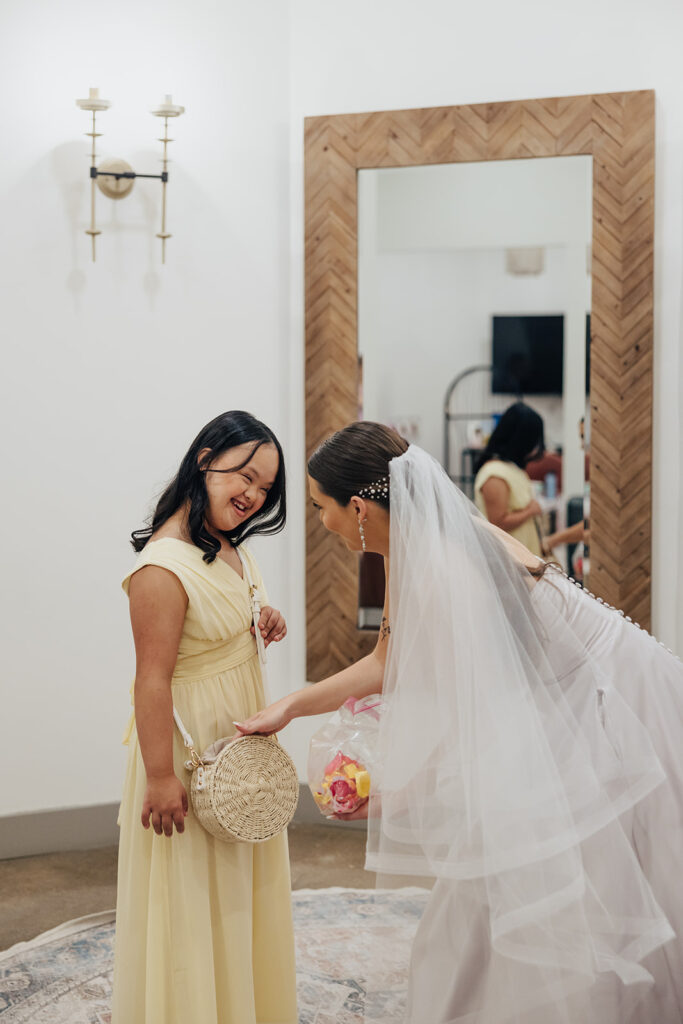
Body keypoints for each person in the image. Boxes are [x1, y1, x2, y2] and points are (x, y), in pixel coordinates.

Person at [237, 420, 683, 1024]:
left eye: (322, 509)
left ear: (362, 508)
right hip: (557, 696)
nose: (322, 523)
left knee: (596, 883)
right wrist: (293, 704)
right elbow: (386, 660)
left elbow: (480, 713)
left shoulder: (446, 567)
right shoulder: (409, 545)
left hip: (610, 699)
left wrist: (399, 789)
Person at [111, 410, 297, 1024]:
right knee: (191, 897)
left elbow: (231, 616)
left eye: (265, 487)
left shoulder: (225, 547)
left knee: (240, 889)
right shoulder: (161, 568)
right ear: (204, 460)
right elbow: (152, 679)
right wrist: (161, 776)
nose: (252, 495)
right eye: (243, 475)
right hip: (188, 753)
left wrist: (262, 616)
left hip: (237, 750)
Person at [474, 401, 545, 557]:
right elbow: (498, 522)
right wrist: (530, 511)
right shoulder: (495, 474)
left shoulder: (512, 469)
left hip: (524, 557)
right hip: (508, 561)